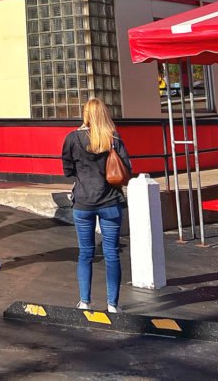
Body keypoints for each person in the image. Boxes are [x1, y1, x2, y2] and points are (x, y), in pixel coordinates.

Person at [62, 97, 131, 312]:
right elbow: (126, 169)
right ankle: (112, 304)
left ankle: (85, 301)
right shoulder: (114, 139)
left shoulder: (73, 138)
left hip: (83, 202)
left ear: (85, 115)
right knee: (111, 254)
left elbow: (67, 170)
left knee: (85, 253)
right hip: (110, 201)